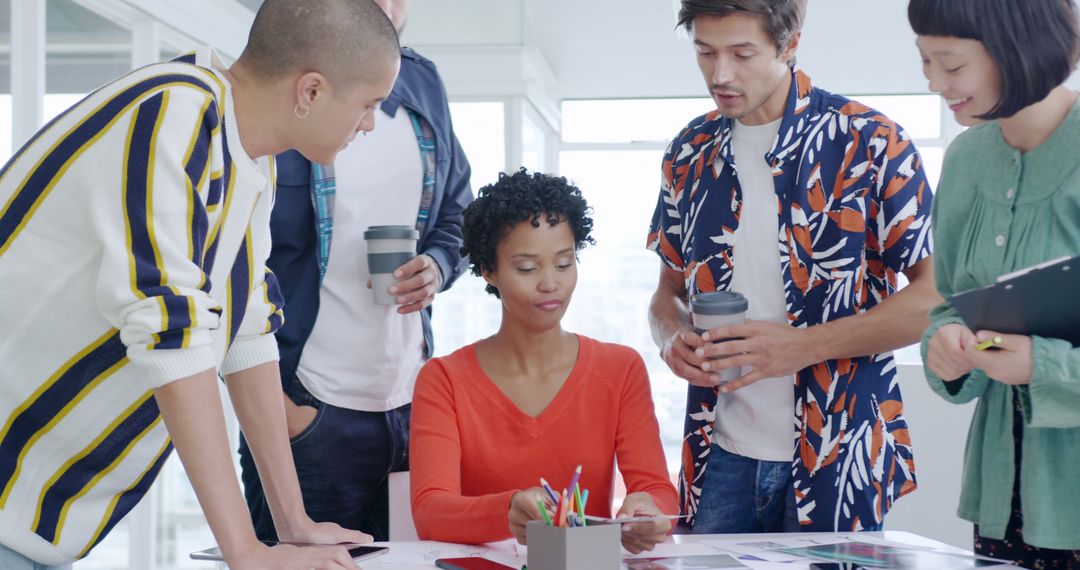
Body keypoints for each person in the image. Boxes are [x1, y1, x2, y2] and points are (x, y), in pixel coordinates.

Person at [0, 1, 400, 568]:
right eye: (369, 104)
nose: (369, 123)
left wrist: (293, 525)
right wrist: (245, 551)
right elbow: (170, 330)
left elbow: (249, 332)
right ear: (311, 91)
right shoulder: (175, 111)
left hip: (39, 522)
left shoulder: (252, 163)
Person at [648, 0, 939, 534]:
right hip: (719, 457)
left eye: (742, 53)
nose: (720, 74)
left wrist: (802, 346)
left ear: (790, 43)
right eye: (705, 52)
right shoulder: (688, 152)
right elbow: (667, 293)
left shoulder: (872, 142)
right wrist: (669, 337)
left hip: (840, 449)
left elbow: (934, 301)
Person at [238, 0, 473, 542]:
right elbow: (231, 270)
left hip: (410, 401)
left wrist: (437, 267)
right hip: (309, 406)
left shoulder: (421, 82)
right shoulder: (279, 85)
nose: (387, 8)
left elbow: (458, 214)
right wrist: (281, 409)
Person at [410, 170, 678, 553]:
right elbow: (429, 511)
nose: (550, 283)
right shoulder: (444, 380)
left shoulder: (620, 369)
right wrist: (507, 510)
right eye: (527, 268)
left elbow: (656, 491)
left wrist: (646, 512)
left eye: (564, 263)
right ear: (489, 270)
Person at [912, 0, 1080, 566]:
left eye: (951, 65)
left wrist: (1046, 367)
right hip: (1002, 498)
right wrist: (952, 346)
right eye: (925, 62)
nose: (935, 82)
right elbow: (953, 305)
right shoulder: (964, 160)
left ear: (1017, 49)